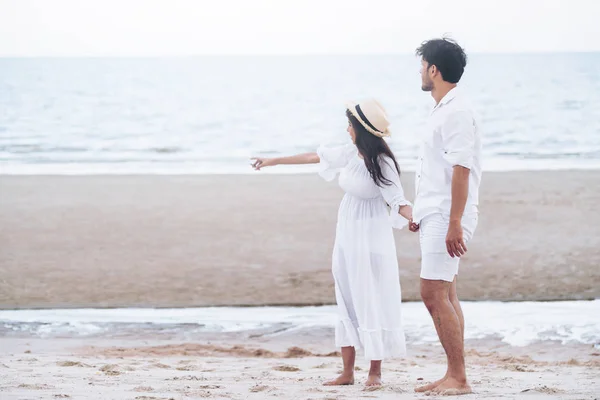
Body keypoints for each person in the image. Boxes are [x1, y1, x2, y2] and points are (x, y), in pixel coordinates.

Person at [251, 99, 414, 388]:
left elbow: (398, 200)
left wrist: (417, 220)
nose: (347, 129)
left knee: (370, 296)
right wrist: (273, 160)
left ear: (362, 130)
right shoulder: (351, 153)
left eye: (350, 125)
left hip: (372, 235)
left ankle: (375, 372)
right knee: (347, 295)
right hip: (347, 232)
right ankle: (347, 372)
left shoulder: (382, 163)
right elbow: (314, 157)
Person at [409, 38, 482, 396]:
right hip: (435, 211)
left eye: (422, 65)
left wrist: (454, 222)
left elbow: (461, 169)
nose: (420, 71)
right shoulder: (441, 108)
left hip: (447, 214)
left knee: (432, 292)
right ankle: (454, 373)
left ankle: (459, 377)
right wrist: (420, 211)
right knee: (447, 293)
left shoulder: (455, 111)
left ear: (434, 70)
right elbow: (434, 170)